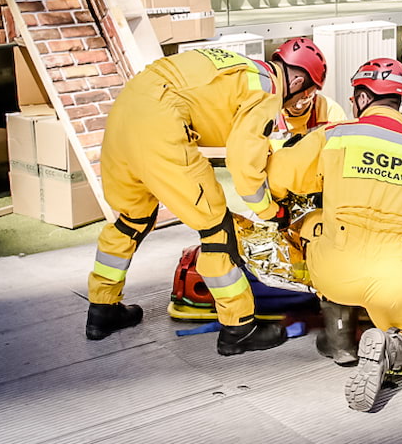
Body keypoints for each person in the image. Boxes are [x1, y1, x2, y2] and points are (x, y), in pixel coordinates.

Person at [85, 37, 328, 356]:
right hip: (162, 123)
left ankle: (103, 310)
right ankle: (239, 328)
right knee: (218, 231)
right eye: (308, 91)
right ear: (296, 80)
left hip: (124, 113)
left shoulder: (243, 69)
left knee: (132, 221)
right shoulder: (267, 92)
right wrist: (272, 212)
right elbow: (244, 166)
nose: (305, 99)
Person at [266, 58, 402, 412]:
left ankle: (338, 337)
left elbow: (277, 178)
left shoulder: (335, 135)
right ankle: (396, 350)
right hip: (396, 284)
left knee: (314, 222)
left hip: (334, 271)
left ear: (363, 98)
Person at [273, 47, 347, 140]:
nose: (299, 106)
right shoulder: (268, 113)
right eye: (295, 98)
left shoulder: (330, 112)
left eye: (305, 98)